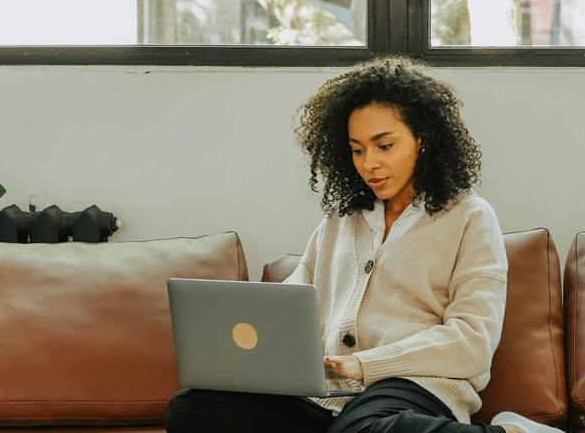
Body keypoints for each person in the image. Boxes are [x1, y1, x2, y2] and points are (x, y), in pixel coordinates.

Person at [165, 56, 560, 433]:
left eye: (384, 146)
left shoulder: (471, 217)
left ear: (422, 139)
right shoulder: (340, 219)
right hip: (326, 397)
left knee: (364, 430)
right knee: (192, 408)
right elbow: (289, 310)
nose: (369, 163)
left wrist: (363, 365)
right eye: (357, 149)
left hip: (415, 388)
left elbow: (472, 342)